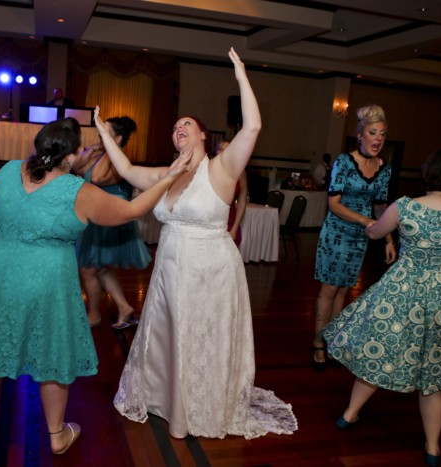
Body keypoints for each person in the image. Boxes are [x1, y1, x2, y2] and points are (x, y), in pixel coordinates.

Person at [0, 117, 191, 466]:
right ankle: (57, 435)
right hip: (46, 280)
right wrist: (170, 177)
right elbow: (133, 210)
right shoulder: (78, 192)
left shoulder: (6, 173)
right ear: (71, 156)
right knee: (52, 358)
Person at [100, 47, 298, 439]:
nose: (179, 129)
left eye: (186, 123)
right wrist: (106, 135)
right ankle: (165, 399)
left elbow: (253, 128)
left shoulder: (222, 168)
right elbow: (123, 168)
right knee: (171, 338)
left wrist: (241, 75)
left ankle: (200, 406)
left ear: (203, 135)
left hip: (211, 272)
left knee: (201, 338)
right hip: (170, 273)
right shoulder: (166, 173)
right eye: (175, 127)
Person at [324, 149, 441, 467]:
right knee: (433, 375)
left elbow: (376, 231)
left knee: (377, 353)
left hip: (401, 291)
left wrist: (369, 225)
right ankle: (433, 447)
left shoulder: (406, 206)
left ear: (428, 173)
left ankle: (349, 414)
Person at [311, 104, 397, 372]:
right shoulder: (344, 162)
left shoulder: (384, 168)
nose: (378, 139)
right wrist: (364, 221)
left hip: (361, 238)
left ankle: (333, 340)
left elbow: (381, 206)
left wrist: (389, 239)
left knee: (344, 290)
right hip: (336, 233)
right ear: (360, 135)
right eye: (373, 132)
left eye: (382, 134)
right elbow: (334, 204)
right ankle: (317, 341)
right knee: (329, 289)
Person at [72, 116, 151, 329]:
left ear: (118, 138)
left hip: (112, 218)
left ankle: (95, 315)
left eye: (105, 133)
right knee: (99, 268)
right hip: (97, 217)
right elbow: (77, 167)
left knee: (89, 268)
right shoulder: (100, 154)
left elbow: (96, 178)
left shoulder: (119, 161)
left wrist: (109, 148)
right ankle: (124, 308)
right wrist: (97, 148)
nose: (100, 136)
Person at [215, 140, 248, 246]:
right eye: (220, 149)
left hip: (230, 222)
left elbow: (242, 201)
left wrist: (234, 228)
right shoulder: (208, 169)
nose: (223, 152)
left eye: (227, 149)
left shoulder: (240, 172)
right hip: (211, 222)